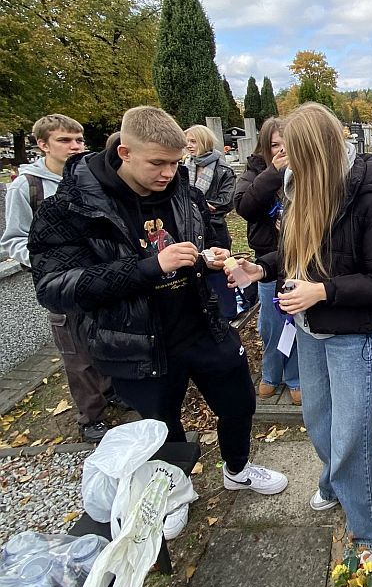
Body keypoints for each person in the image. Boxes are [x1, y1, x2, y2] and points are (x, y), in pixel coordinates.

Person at [28, 107, 288, 506]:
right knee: (162, 428)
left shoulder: (182, 191)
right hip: (133, 342)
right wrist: (149, 267)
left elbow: (196, 241)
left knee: (239, 402)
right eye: (157, 163)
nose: (168, 173)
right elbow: (54, 288)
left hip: (201, 324)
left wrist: (208, 257)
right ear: (125, 152)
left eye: (175, 162)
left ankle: (237, 469)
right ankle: (174, 493)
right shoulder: (71, 208)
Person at [230, 103, 372, 556]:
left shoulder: (371, 204)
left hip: (352, 338)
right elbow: (297, 255)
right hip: (310, 330)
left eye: (294, 155)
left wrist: (322, 291)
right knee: (318, 419)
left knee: (354, 435)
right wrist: (261, 269)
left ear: (318, 154)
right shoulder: (301, 190)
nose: (284, 165)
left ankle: (369, 529)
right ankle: (335, 482)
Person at [1, 114, 117, 443]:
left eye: (79, 140)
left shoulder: (91, 177)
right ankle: (91, 415)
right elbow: (14, 239)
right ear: (43, 144)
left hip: (99, 276)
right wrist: (46, 263)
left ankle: (111, 390)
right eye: (65, 140)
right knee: (76, 352)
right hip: (63, 284)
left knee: (106, 336)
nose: (75, 146)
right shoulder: (28, 186)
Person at [233, 117, 300, 405]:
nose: (281, 150)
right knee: (271, 324)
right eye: (274, 145)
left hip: (296, 259)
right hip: (266, 261)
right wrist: (273, 173)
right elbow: (244, 206)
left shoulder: (302, 169)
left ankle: (295, 376)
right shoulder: (255, 171)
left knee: (295, 321)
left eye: (286, 144)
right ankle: (271, 373)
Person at [184, 124, 235, 249]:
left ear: (204, 142)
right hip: (188, 228)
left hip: (214, 227)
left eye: (193, 141)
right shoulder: (184, 166)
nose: (188, 145)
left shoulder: (223, 170)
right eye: (187, 142)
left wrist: (195, 204)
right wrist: (202, 204)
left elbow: (226, 202)